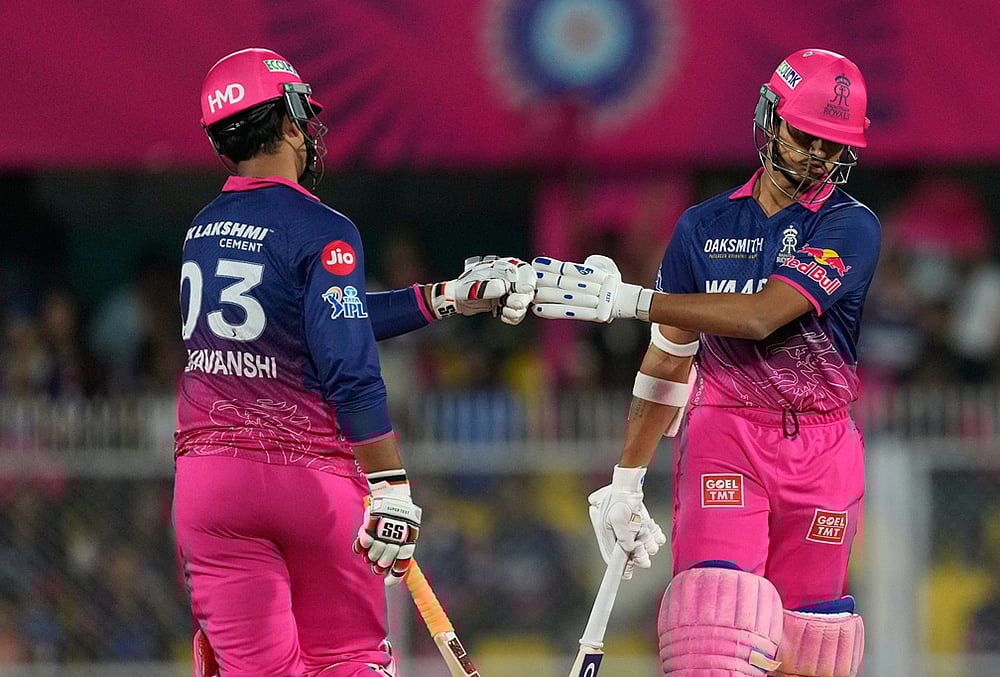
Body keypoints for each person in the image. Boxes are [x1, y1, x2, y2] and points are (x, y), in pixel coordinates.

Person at [173, 48, 535, 677]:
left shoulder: (201, 228)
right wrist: (391, 487)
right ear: (289, 122)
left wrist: (446, 298)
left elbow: (322, 317)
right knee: (347, 661)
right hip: (307, 483)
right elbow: (349, 366)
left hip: (210, 486)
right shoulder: (323, 228)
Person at [532, 48, 878, 676]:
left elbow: (762, 315)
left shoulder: (850, 227)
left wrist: (628, 299)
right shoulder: (701, 227)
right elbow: (668, 359)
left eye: (833, 145)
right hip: (728, 435)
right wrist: (627, 480)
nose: (818, 157)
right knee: (713, 634)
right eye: (806, 136)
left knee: (812, 652)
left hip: (823, 449)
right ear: (770, 119)